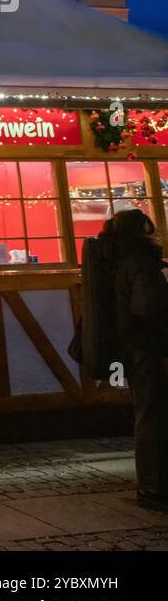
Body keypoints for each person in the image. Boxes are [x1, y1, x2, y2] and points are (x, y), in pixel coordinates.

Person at [107, 208, 168, 511]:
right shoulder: (141, 264)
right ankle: (155, 484)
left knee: (149, 413)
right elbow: (149, 307)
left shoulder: (117, 261)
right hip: (148, 347)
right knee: (153, 415)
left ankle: (153, 482)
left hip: (133, 348)